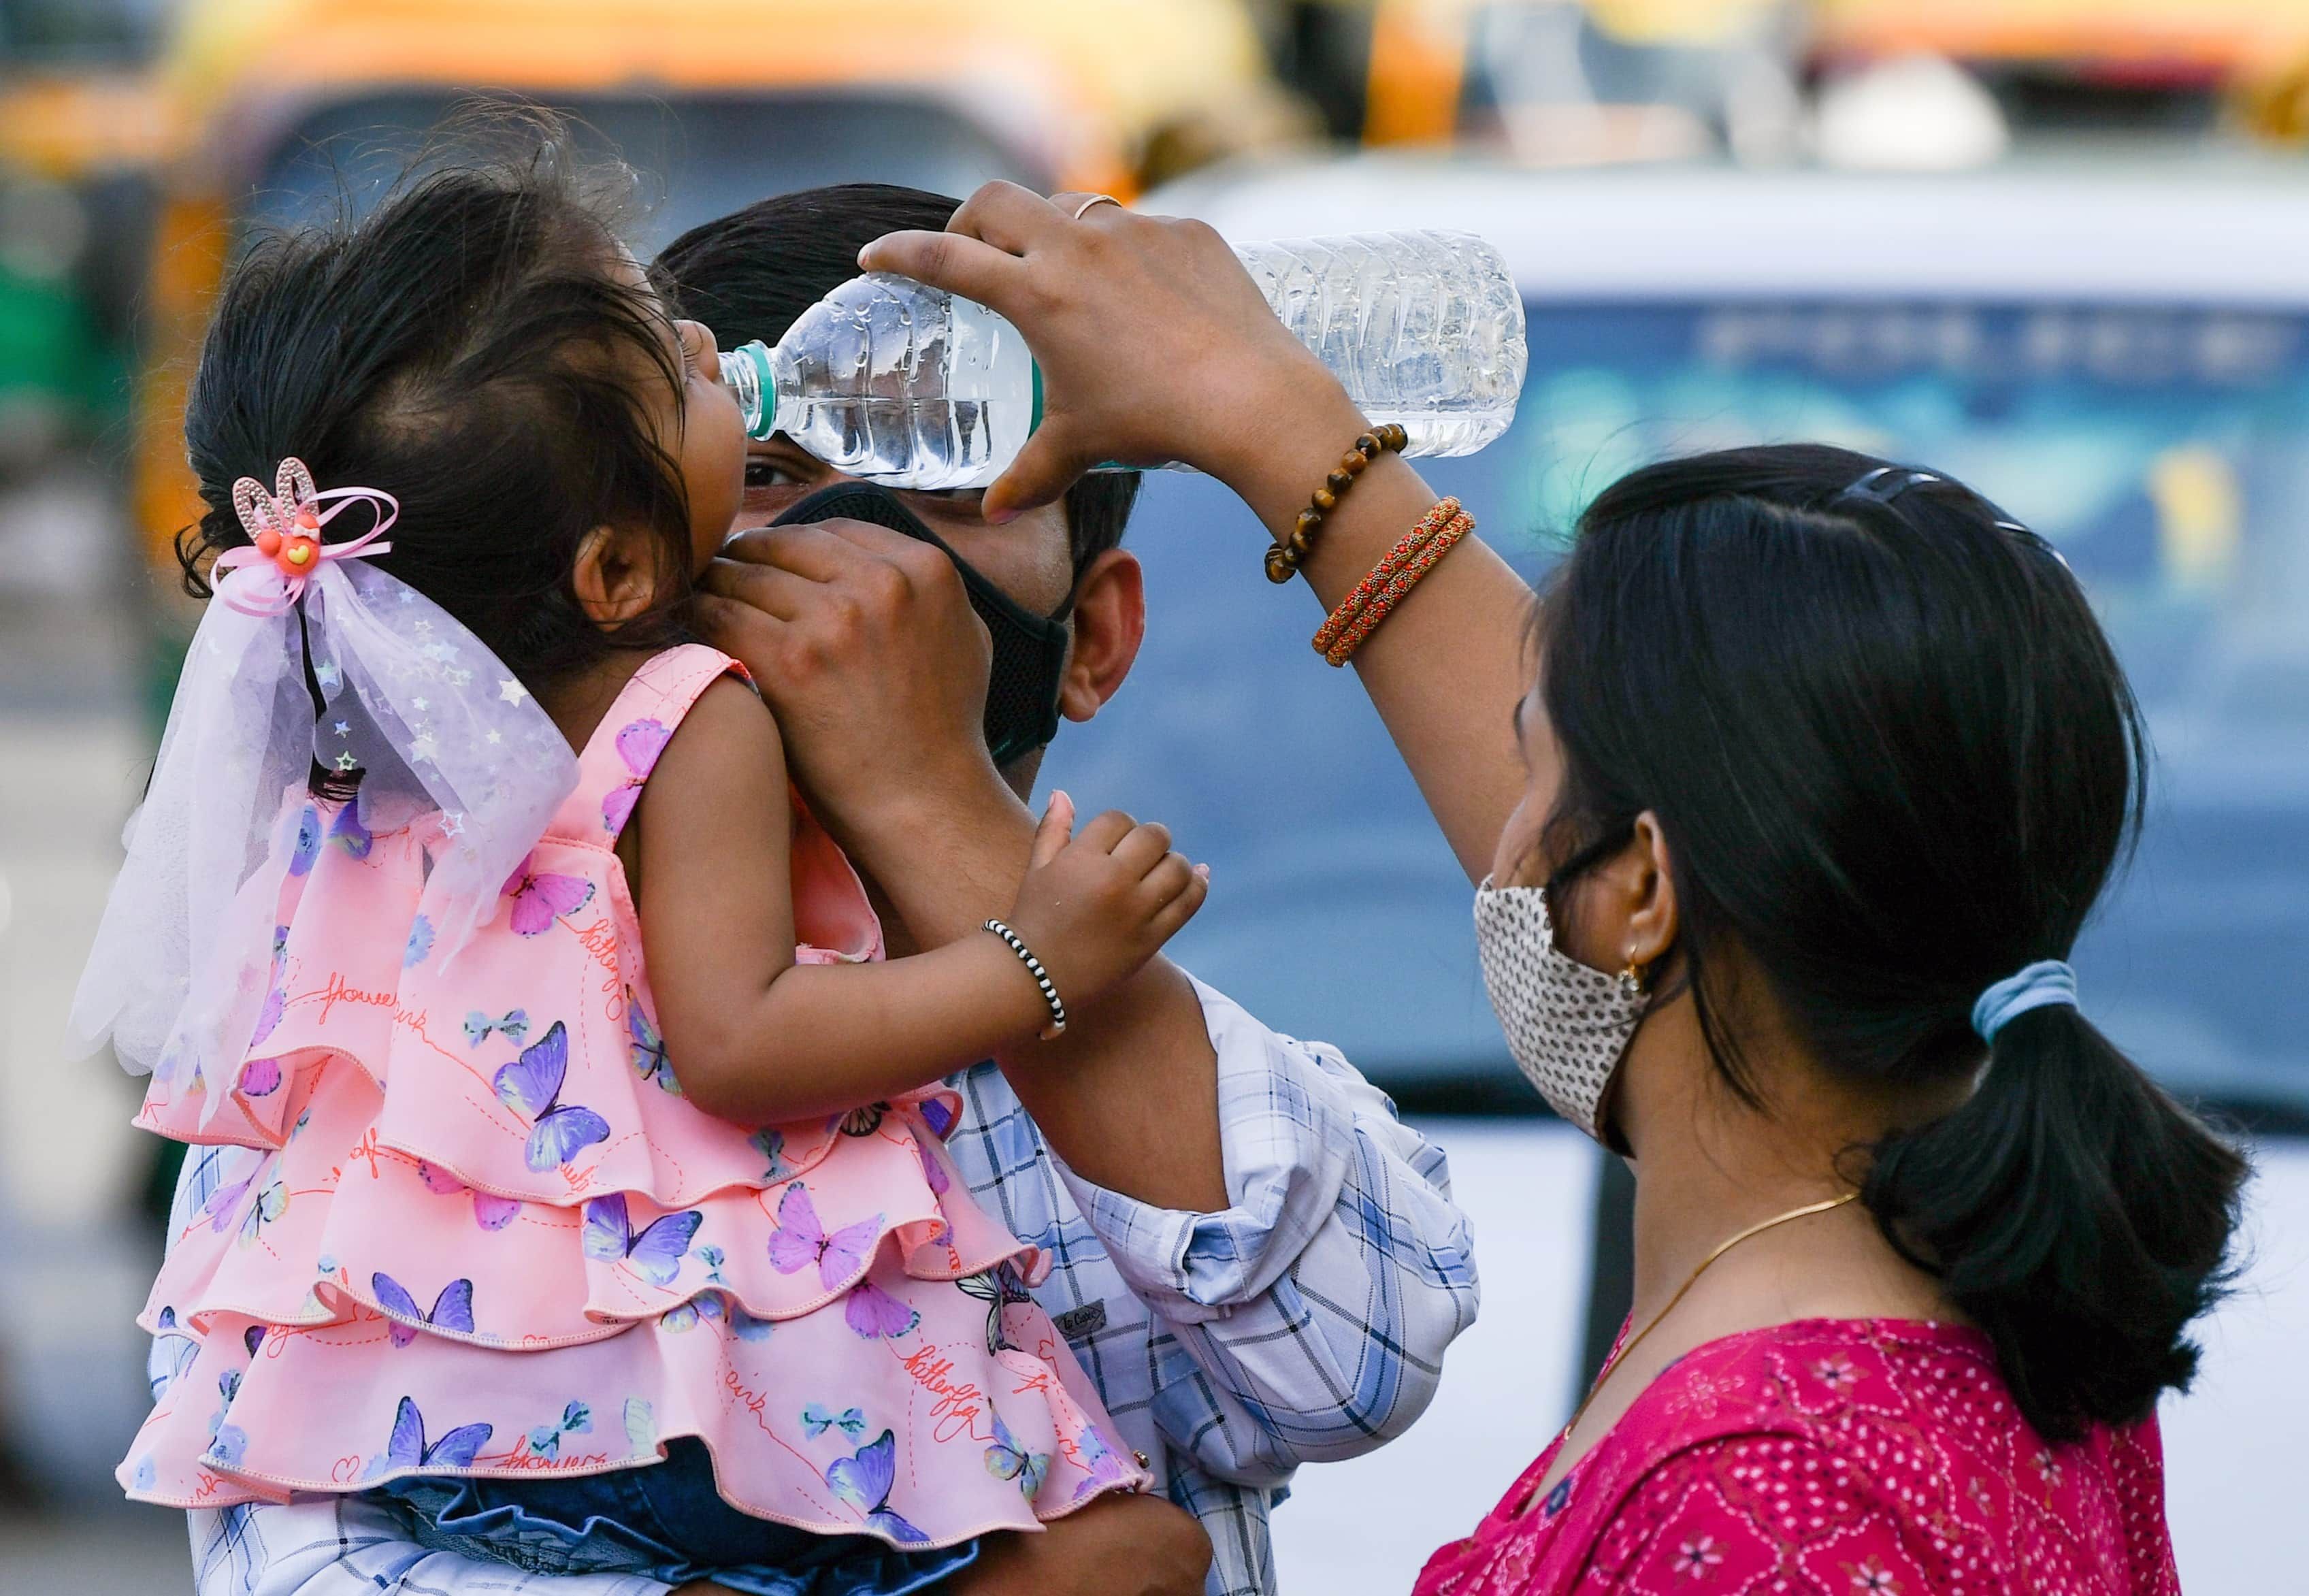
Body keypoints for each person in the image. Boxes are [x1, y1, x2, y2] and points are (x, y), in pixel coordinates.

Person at [856, 182, 2249, 1593]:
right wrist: (1273, 419)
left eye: (1529, 765)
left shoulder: (1762, 1494)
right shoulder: (1972, 1300)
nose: (1492, 835)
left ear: (1638, 887)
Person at [146, 178, 1479, 1596]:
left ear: (1091, 637)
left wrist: (927, 798)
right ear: (611, 553)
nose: (857, 558)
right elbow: (307, 1550)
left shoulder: (1100, 982)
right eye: (771, 471)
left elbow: (1358, 1360)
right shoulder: (391, 1041)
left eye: (950, 487)